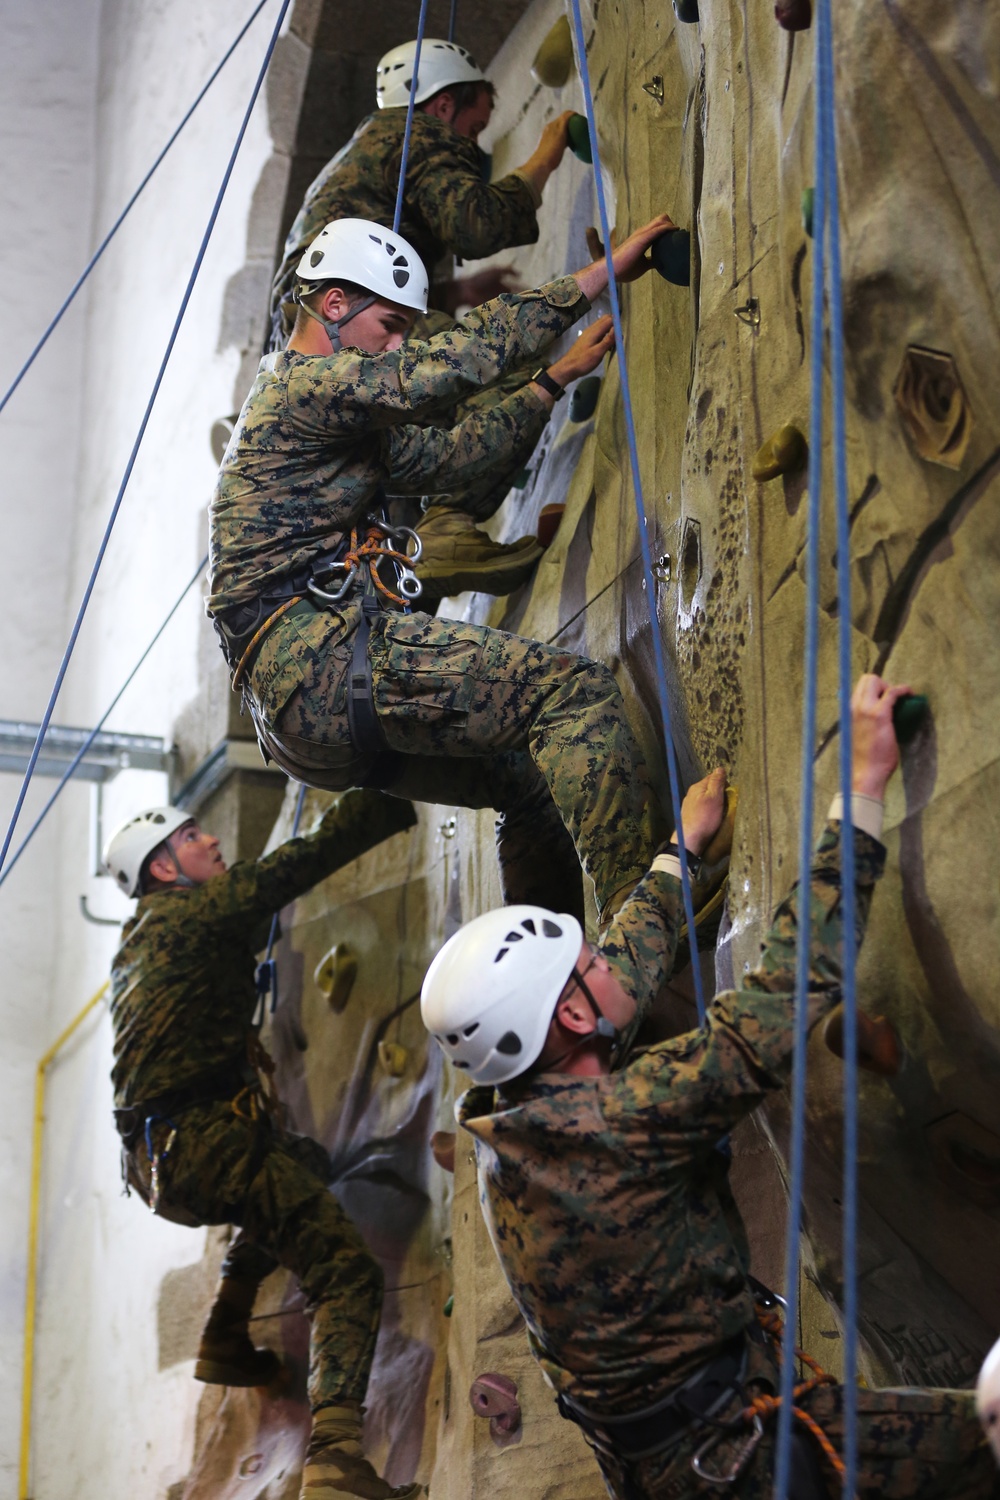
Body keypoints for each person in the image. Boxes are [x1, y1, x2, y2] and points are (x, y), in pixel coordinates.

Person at [421, 676, 999, 1499]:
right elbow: (779, 999)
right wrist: (862, 792)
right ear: (572, 1022)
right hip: (740, 1462)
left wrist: (679, 853)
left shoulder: (514, 1117)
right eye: (583, 973)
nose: (604, 965)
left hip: (684, 1455)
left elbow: (613, 973)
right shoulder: (615, 1123)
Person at [209, 211, 677, 929]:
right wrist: (595, 277)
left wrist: (552, 382)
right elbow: (454, 361)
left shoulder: (332, 423)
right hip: (322, 665)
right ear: (334, 305)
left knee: (530, 781)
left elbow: (451, 457)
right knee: (576, 694)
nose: (396, 343)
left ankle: (546, 987)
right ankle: (638, 937)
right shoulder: (303, 391)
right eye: (390, 323)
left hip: (303, 717)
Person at [106, 790, 421, 1500]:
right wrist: (385, 794)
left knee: (300, 1168)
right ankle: (337, 1464)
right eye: (192, 838)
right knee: (345, 1271)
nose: (212, 841)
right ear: (163, 869)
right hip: (202, 1139)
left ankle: (223, 1329)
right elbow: (293, 867)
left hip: (160, 1159)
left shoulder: (142, 938)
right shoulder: (192, 914)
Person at [268, 38, 578, 600]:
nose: (471, 143)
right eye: (474, 127)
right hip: (344, 319)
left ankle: (420, 559)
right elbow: (475, 223)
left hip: (315, 335)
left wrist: (453, 289)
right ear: (441, 106)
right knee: (502, 363)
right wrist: (547, 155)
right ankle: (450, 524)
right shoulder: (411, 132)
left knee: (397, 474)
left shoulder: (363, 158)